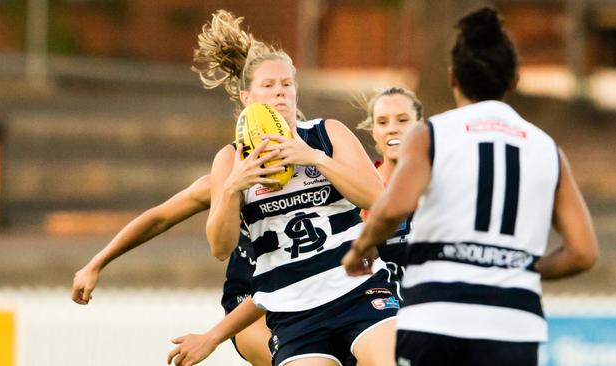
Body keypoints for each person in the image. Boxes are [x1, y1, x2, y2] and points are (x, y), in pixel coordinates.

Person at [342, 7, 598, 366]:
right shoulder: (547, 149)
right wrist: (518, 268)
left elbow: (395, 206)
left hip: (437, 317)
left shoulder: (431, 135)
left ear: (453, 77)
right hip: (513, 324)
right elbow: (583, 253)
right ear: (512, 81)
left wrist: (361, 248)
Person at [168, 9, 398, 366]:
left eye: (287, 85)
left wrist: (316, 159)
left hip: (359, 291)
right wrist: (232, 189)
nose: (280, 93)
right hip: (294, 315)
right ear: (247, 98)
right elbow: (219, 247)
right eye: (269, 86)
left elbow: (381, 203)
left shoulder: (327, 134)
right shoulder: (230, 162)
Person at [70, 175, 271, 366]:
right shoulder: (227, 184)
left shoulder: (302, 183)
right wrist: (95, 264)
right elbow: (160, 217)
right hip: (249, 301)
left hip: (294, 293)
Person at [355, 86, 424, 275]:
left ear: (420, 125)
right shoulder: (357, 188)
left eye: (402, 120)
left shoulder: (439, 181)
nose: (392, 129)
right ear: (373, 131)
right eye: (383, 122)